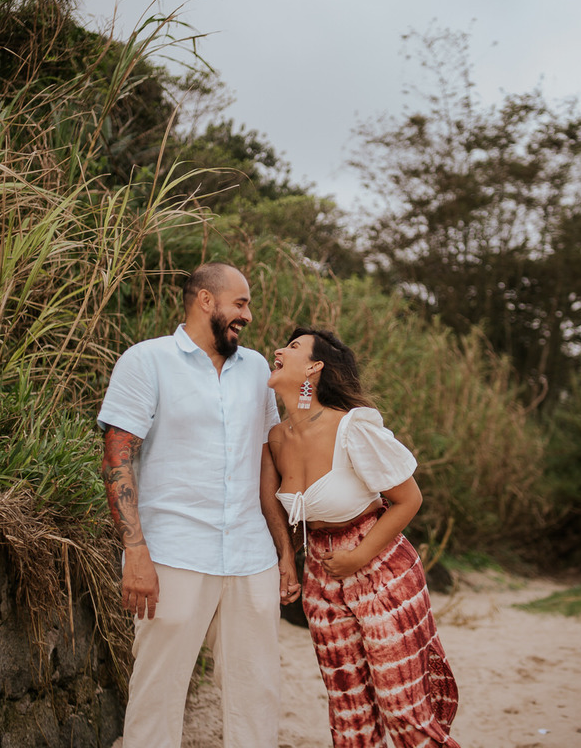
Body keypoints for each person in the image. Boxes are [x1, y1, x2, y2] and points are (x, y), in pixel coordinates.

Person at [97, 262, 299, 748]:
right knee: (158, 689)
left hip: (251, 554)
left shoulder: (255, 370)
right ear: (205, 301)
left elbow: (264, 464)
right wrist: (136, 553)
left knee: (257, 690)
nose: (247, 316)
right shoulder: (146, 361)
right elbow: (116, 459)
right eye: (241, 303)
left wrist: (284, 552)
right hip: (173, 552)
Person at [265, 326, 460, 747]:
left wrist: (358, 557)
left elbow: (409, 499)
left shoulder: (352, 429)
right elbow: (277, 510)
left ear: (314, 368)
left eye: (293, 347)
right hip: (321, 580)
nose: (279, 350)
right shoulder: (276, 439)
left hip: (381, 569)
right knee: (349, 713)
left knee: (403, 710)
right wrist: (288, 560)